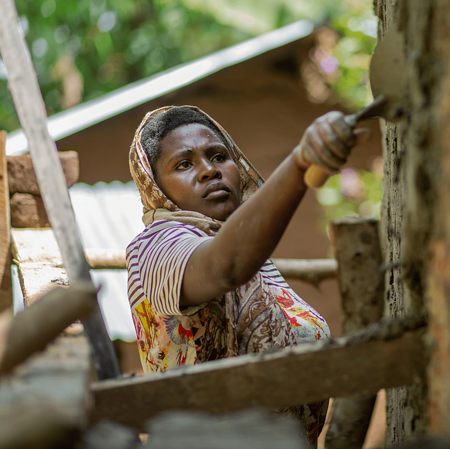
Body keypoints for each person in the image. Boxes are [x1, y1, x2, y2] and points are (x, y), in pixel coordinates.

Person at [125, 105, 368, 444]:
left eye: (219, 156)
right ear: (156, 187)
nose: (209, 170)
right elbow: (223, 267)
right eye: (183, 164)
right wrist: (299, 164)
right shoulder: (156, 246)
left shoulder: (257, 262)